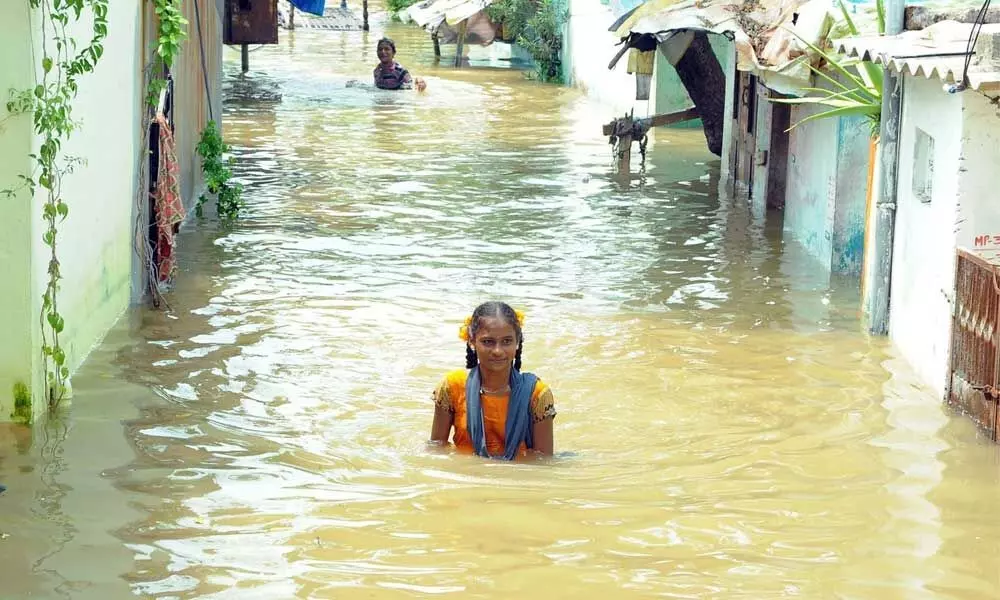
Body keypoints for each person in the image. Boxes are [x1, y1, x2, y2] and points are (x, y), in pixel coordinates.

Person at [429, 301, 556, 460]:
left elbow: (544, 462)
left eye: (507, 341)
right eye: (488, 342)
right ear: (472, 341)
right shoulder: (452, 386)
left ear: (517, 342)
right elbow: (436, 449)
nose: (497, 351)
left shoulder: (536, 394)